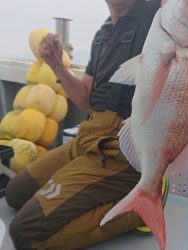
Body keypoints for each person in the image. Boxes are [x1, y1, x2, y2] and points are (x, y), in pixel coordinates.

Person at [5, 0, 161, 249]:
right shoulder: (102, 35)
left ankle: (138, 209)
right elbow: (86, 100)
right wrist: (56, 64)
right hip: (87, 136)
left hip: (121, 146)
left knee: (26, 230)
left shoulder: (155, 14)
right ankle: (118, 194)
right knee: (15, 193)